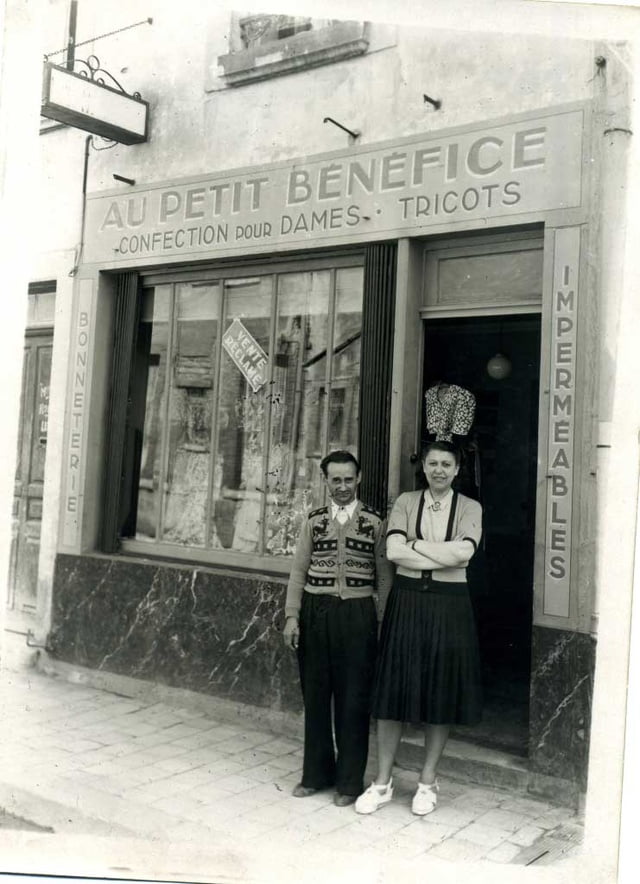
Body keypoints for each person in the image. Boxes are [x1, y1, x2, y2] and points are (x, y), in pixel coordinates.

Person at [355, 440, 482, 816]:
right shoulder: (406, 503)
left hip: (450, 605)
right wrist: (439, 552)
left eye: (446, 464)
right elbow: (394, 553)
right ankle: (382, 782)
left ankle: (427, 782)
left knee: (440, 691)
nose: (439, 470)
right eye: (433, 463)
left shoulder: (470, 507)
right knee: (392, 693)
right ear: (423, 467)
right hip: (407, 600)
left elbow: (465, 553)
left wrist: (416, 545)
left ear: (457, 469)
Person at [283, 450, 392, 807]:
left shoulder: (376, 523)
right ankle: (315, 775)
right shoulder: (313, 521)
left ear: (358, 479)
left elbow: (385, 578)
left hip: (358, 614)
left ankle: (349, 783)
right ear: (325, 481)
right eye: (336, 480)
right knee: (316, 697)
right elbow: (298, 572)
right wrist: (292, 616)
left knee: (353, 700)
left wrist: (382, 622)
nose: (342, 486)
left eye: (348, 479)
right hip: (316, 612)